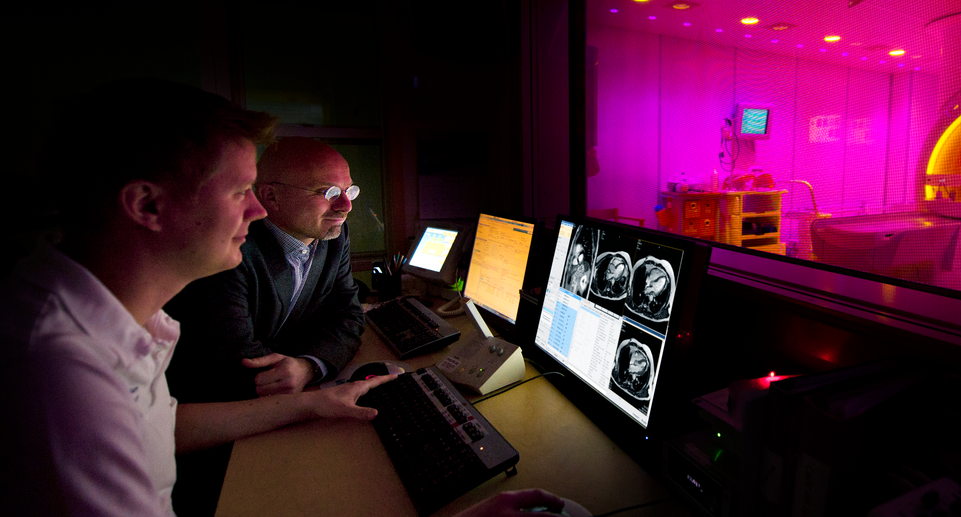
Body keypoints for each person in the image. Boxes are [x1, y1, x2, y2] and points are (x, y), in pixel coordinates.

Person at [0, 79, 584, 517]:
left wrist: (309, 399)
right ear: (148, 207)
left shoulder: (116, 314)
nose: (254, 213)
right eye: (239, 192)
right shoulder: (60, 370)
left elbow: (159, 425)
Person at [165, 137, 365, 404]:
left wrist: (309, 366)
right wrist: (296, 368)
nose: (346, 206)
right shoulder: (231, 247)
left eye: (349, 191)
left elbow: (348, 315)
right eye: (328, 192)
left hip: (286, 394)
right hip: (214, 404)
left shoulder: (334, 235)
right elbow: (237, 361)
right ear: (271, 196)